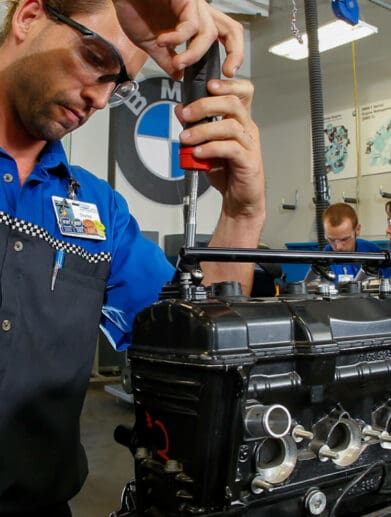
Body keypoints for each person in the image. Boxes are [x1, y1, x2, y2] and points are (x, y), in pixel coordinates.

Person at [0, 0, 265, 515]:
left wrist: (240, 213)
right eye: (95, 57)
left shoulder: (98, 211)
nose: (99, 97)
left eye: (118, 84)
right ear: (29, 16)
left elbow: (195, 343)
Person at [322, 203, 390, 282]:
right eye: (332, 240)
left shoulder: (374, 254)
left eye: (344, 239)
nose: (338, 247)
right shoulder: (325, 257)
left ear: (357, 230)